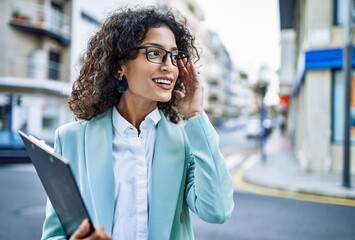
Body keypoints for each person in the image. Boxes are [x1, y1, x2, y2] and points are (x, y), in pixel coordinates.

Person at [41, 6, 234, 240]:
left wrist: (195, 115)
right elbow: (55, 233)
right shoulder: (71, 139)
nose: (169, 66)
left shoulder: (185, 143)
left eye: (174, 56)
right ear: (120, 64)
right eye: (154, 53)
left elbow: (218, 210)